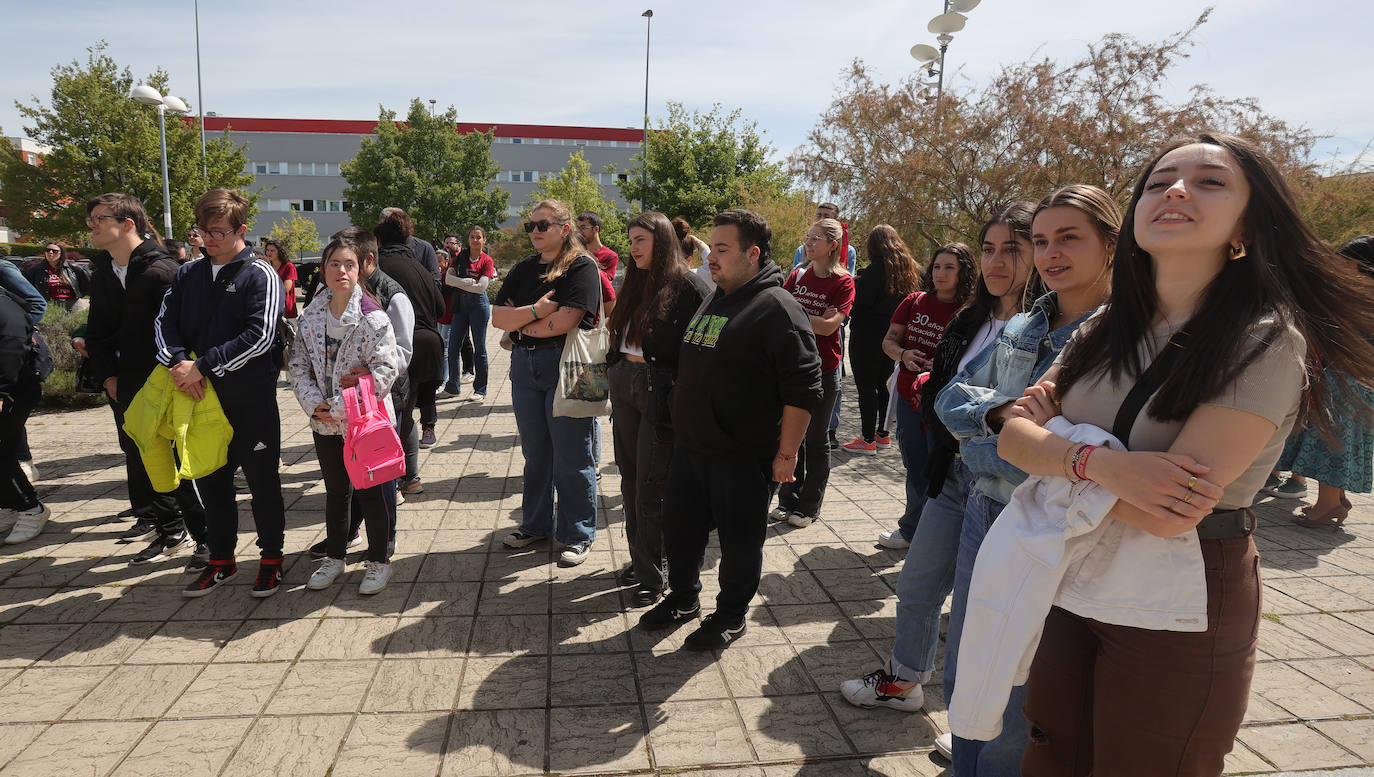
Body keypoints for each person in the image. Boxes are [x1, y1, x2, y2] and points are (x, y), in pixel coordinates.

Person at [996, 135, 1374, 776]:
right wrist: (1107, 466)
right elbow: (1009, 436)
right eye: (1159, 180)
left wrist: (1056, 448)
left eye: (1210, 182)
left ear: (1247, 227)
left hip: (1184, 588)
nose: (1175, 190)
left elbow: (1168, 512)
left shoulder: (1264, 339)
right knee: (1053, 748)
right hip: (1072, 570)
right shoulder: (1105, 325)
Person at [840, 205, 1037, 726]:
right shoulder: (972, 318)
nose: (997, 261)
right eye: (990, 248)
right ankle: (904, 681)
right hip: (951, 473)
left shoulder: (1047, 326)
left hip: (1005, 487)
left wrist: (961, 404)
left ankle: (978, 722)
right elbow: (961, 401)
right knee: (917, 585)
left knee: (983, 611)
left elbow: (1016, 415)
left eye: (1013, 249)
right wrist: (950, 401)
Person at [638, 209, 821, 650]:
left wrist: (787, 454)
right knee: (679, 530)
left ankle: (731, 616)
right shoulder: (717, 295)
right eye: (712, 247)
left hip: (741, 456)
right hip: (692, 448)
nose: (711, 257)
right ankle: (684, 599)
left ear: (752, 254)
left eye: (722, 249)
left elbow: (804, 388)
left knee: (739, 546)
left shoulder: (777, 308)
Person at [155, 188, 287, 598]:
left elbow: (261, 335)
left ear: (241, 230)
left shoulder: (259, 273)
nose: (208, 239)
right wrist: (179, 364)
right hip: (198, 398)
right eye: (203, 231)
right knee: (211, 481)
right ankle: (222, 560)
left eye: (218, 232)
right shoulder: (187, 274)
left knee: (263, 482)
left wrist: (203, 366)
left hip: (249, 398)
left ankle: (271, 560)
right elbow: (163, 323)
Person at [83, 193, 209, 565]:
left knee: (180, 458)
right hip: (124, 386)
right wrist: (107, 376)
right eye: (90, 218)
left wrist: (183, 373)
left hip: (169, 383)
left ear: (127, 224)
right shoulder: (104, 271)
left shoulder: (164, 272)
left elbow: (187, 332)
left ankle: (206, 537)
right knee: (142, 457)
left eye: (98, 218)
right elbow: (98, 330)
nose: (91, 225)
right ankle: (170, 530)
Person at [607, 212, 711, 607]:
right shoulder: (634, 280)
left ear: (662, 241)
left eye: (640, 240)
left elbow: (697, 352)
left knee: (652, 486)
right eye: (630, 240)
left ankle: (655, 575)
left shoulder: (688, 287)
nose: (632, 249)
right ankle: (643, 562)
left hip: (659, 390)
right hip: (625, 386)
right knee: (630, 481)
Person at [289, 232, 403, 595]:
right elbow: (298, 364)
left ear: (361, 270)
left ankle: (379, 560)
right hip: (324, 423)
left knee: (371, 492)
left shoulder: (373, 317)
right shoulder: (311, 316)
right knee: (337, 491)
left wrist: (339, 407)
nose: (341, 270)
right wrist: (314, 405)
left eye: (349, 264)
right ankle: (334, 557)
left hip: (364, 422)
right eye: (334, 264)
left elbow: (386, 370)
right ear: (323, 270)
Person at [491, 199, 602, 566]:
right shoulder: (524, 268)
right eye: (531, 226)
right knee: (536, 453)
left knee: (573, 454)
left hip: (571, 365)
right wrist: (537, 312)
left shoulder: (582, 267)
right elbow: (497, 318)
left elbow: (569, 320)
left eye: (543, 225)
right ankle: (536, 524)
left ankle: (578, 534)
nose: (535, 232)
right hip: (525, 365)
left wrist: (520, 322)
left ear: (565, 229)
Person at [868, 242, 977, 548]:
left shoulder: (972, 311)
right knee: (914, 465)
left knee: (942, 469)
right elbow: (889, 342)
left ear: (964, 271)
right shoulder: (914, 301)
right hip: (907, 397)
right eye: (937, 267)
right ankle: (912, 529)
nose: (940, 274)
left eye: (949, 268)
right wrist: (903, 354)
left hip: (946, 404)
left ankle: (937, 536)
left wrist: (943, 366)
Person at [1263, 234, 1374, 525]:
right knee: (1339, 439)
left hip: (1347, 380)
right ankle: (1334, 500)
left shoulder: (1360, 299)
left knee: (1331, 440)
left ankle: (1326, 504)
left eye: (1346, 262)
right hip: (1355, 380)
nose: (1340, 266)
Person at [771, 218, 854, 528]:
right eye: (808, 236)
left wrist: (799, 313)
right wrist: (813, 316)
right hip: (793, 368)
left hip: (825, 369)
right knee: (791, 437)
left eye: (816, 238)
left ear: (833, 245)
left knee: (816, 439)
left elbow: (829, 326)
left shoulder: (843, 282)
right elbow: (781, 310)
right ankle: (787, 499)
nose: (809, 242)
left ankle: (809, 504)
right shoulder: (798, 274)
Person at [374, 209, 444, 496]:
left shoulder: (378, 267)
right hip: (429, 348)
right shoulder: (418, 267)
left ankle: (393, 480)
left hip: (400, 350)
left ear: (378, 239)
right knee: (407, 413)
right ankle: (410, 478)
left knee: (395, 416)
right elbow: (440, 308)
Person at [841, 225, 925, 457]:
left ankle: (867, 439)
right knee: (884, 384)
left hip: (867, 335)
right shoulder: (911, 270)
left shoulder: (875, 270)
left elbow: (859, 303)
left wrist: (857, 282)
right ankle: (883, 433)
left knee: (866, 386)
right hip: (895, 336)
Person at [0, 286, 44, 545]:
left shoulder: (5, 308)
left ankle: (30, 508)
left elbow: (11, 349)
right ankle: (9, 505)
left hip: (14, 392)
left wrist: (1, 392)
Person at [444, 227, 496, 403]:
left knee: (479, 349)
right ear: (467, 239)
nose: (475, 240)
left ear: (484, 240)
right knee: (452, 347)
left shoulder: (487, 260)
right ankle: (452, 387)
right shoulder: (460, 258)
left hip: (479, 306)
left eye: (479, 237)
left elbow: (481, 287)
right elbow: (447, 280)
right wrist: (466, 282)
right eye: (472, 237)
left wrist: (458, 283)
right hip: (461, 306)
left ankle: (480, 389)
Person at [441, 233, 476, 387]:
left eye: (451, 243)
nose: (448, 245)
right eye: (446, 243)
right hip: (448, 305)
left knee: (465, 339)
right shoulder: (444, 258)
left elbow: (463, 281)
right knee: (455, 341)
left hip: (462, 302)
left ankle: (469, 370)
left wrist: (456, 281)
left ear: (459, 245)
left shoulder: (463, 259)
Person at [24, 241, 90, 310]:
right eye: (48, 250)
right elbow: (26, 287)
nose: (50, 252)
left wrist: (79, 295)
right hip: (49, 305)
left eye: (54, 251)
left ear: (61, 253)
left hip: (73, 304)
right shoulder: (36, 270)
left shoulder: (73, 268)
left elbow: (87, 284)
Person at [262, 239, 298, 322]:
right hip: (269, 309)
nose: (269, 253)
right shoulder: (266, 266)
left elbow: (285, 289)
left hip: (286, 311)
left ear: (279, 252)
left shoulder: (289, 266)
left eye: (272, 250)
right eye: (267, 250)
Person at [578, 211, 619, 281]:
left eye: (583, 227)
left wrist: (591, 263)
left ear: (596, 229)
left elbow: (607, 284)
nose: (579, 231)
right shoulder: (575, 253)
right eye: (578, 228)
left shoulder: (611, 256)